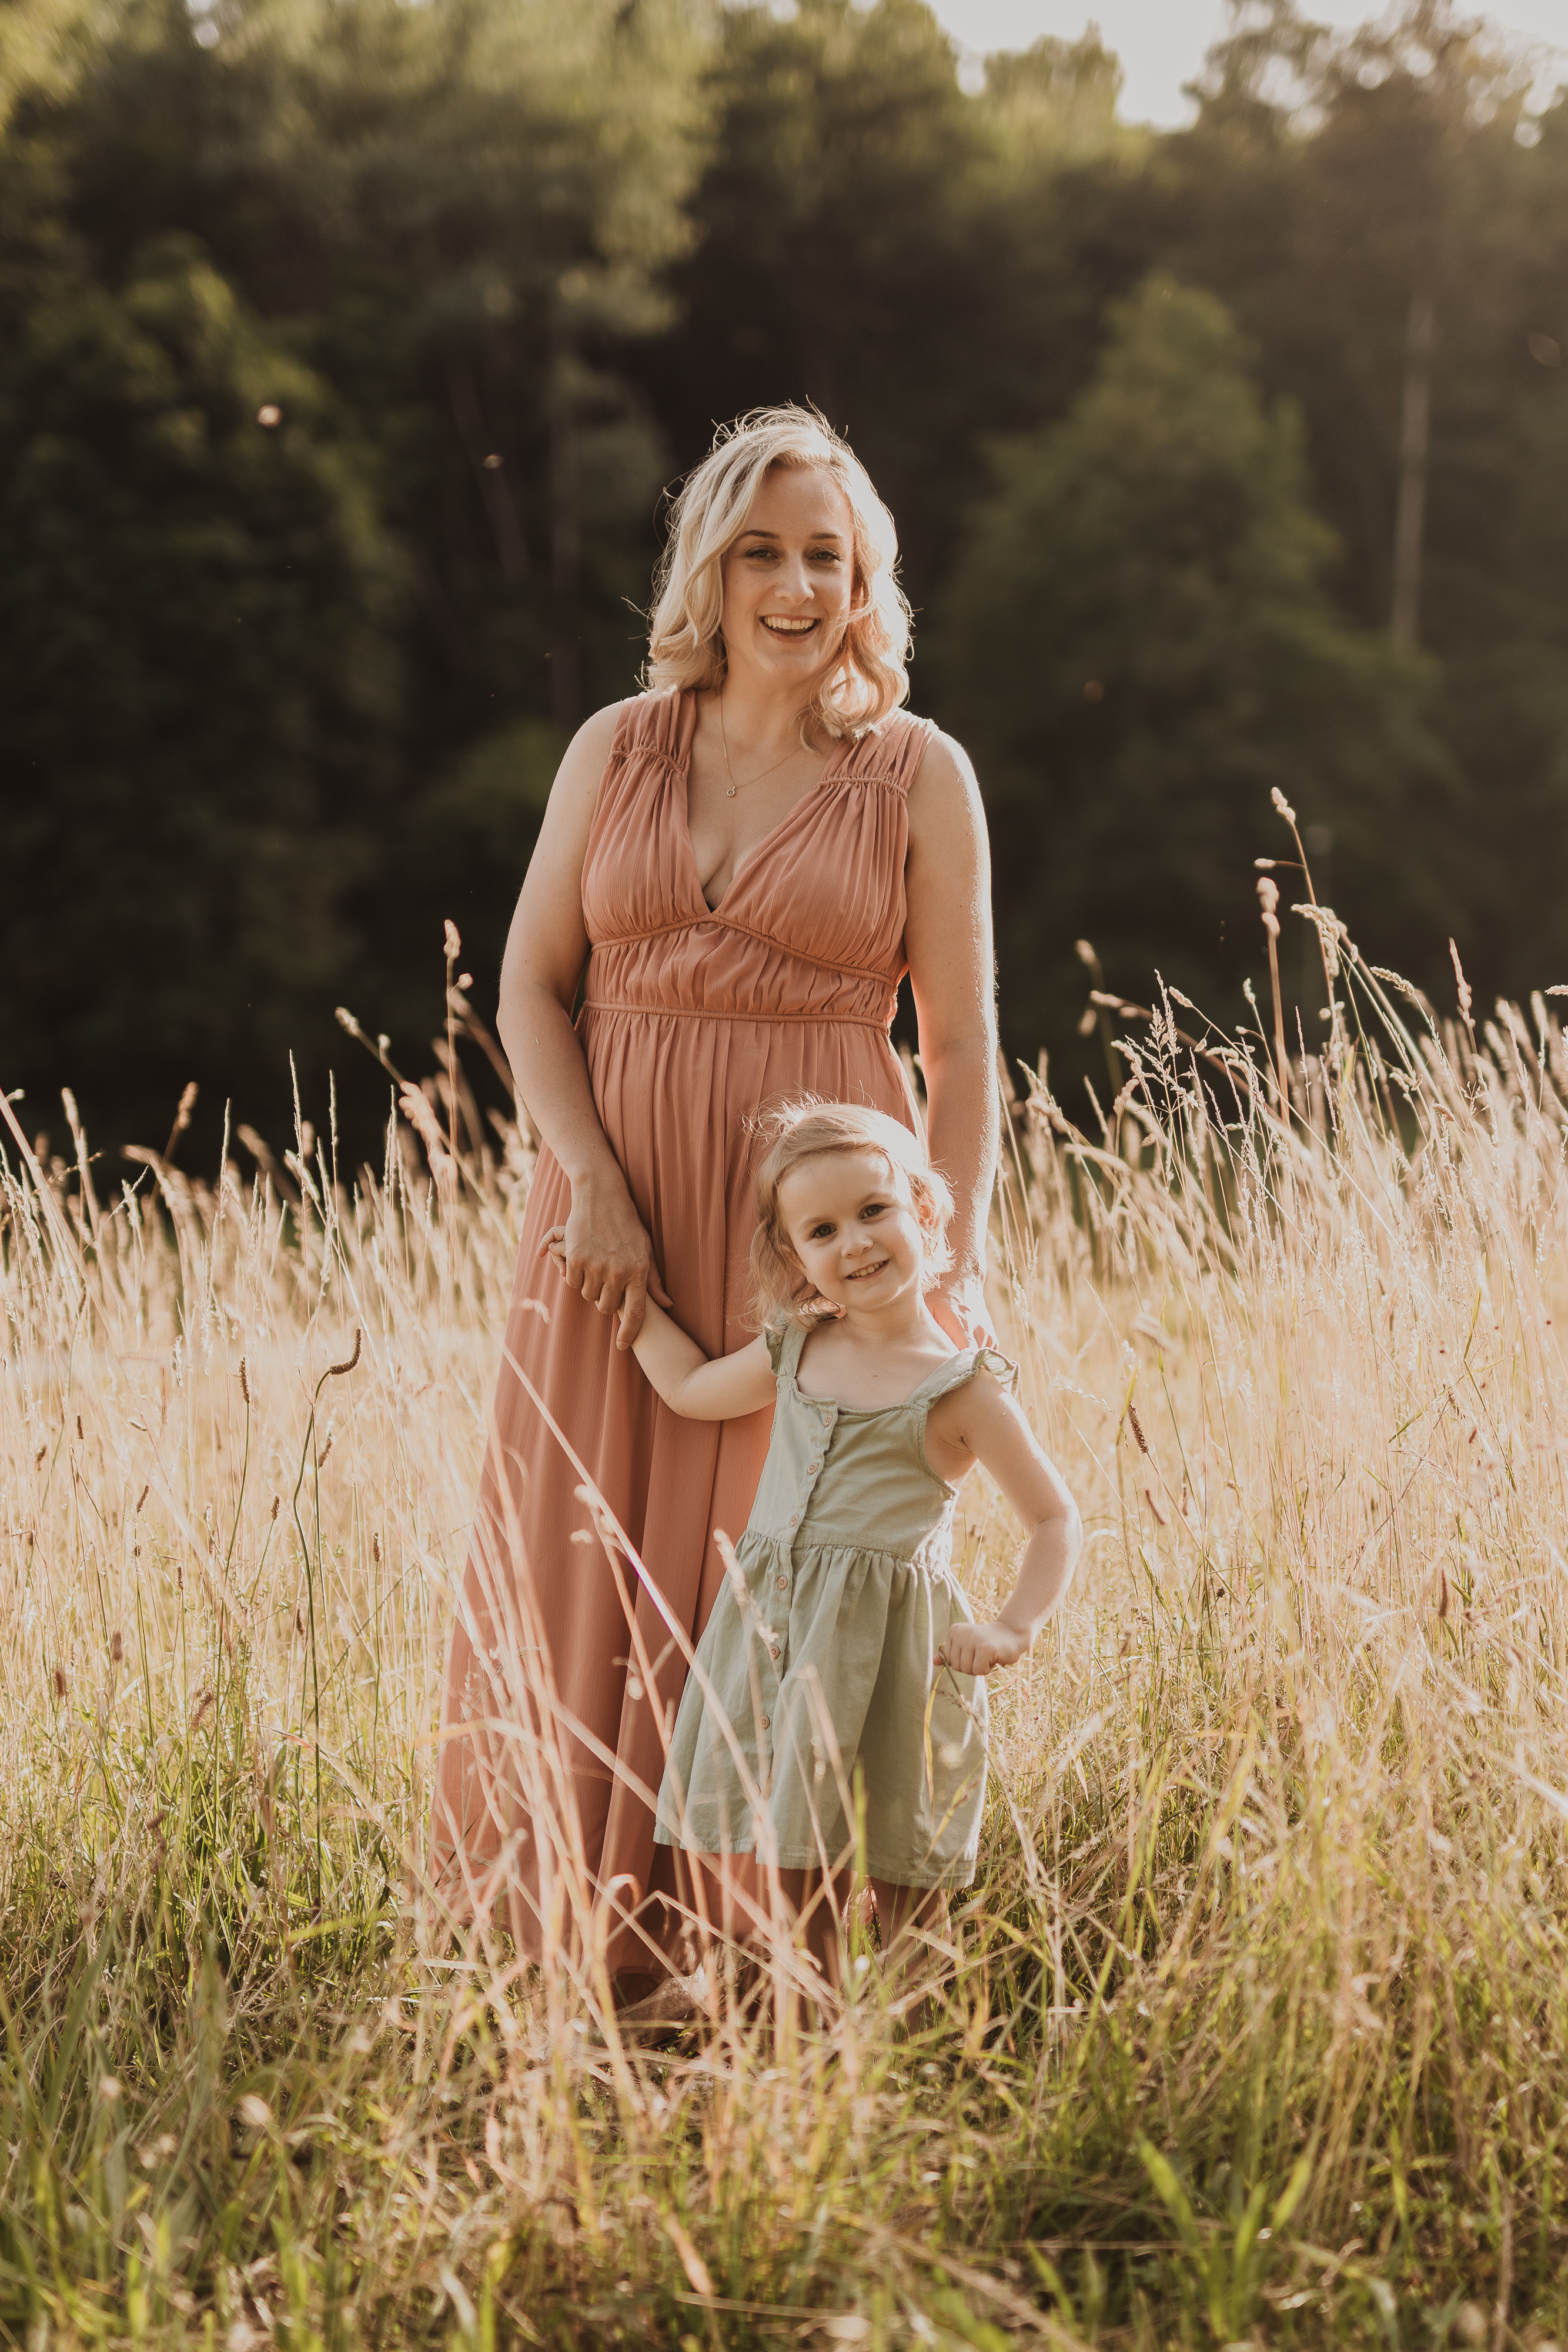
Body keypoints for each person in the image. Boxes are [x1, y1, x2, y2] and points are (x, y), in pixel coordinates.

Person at [431, 405, 999, 1989]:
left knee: (791, 1579)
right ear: (709, 565)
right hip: (607, 1225)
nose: (796, 584)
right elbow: (532, 993)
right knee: (584, 1556)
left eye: (829, 554)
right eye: (762, 551)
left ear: (866, 577)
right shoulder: (615, 746)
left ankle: (774, 1962)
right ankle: (572, 1941)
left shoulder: (915, 773)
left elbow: (960, 1053)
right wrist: (589, 1185)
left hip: (818, 1239)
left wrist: (930, 1286)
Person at [543, 1100, 1081, 1984]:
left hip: (892, 1653)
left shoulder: (961, 1387)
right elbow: (688, 1389)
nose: (857, 1244)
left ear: (925, 1211)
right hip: (782, 1646)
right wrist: (627, 1305)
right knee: (800, 1862)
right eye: (823, 1231)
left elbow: (1055, 1518)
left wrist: (1014, 1626)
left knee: (906, 1866)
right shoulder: (796, 1346)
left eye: (875, 1211)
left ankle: (917, 2040)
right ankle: (818, 2034)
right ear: (794, 1257)